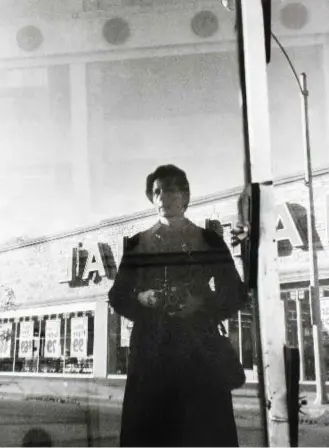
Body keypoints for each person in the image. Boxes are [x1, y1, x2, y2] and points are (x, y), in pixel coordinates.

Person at [108, 164, 248, 447]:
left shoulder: (209, 241)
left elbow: (235, 292)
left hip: (200, 356)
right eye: (156, 192)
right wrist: (143, 298)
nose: (162, 197)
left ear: (185, 196)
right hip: (151, 358)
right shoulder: (137, 244)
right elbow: (117, 295)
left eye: (170, 190)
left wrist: (200, 304)